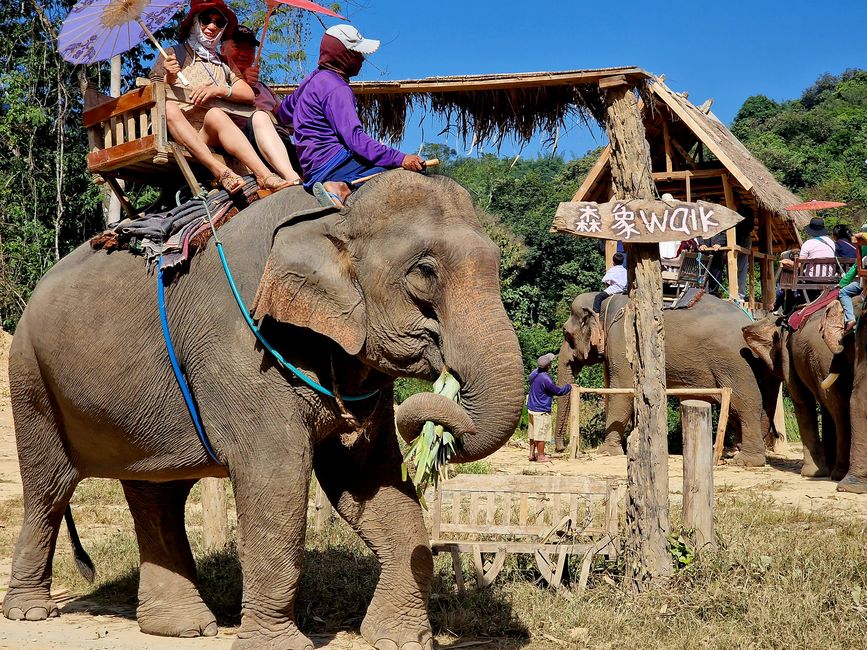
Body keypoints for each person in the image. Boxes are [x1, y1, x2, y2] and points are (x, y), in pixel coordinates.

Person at [149, 0, 292, 193]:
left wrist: (219, 90)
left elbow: (248, 94)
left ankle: (265, 175)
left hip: (211, 132)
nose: (211, 26)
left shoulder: (223, 62)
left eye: (219, 22)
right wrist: (170, 75)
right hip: (182, 132)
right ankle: (221, 171)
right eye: (206, 20)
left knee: (216, 114)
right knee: (168, 108)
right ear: (193, 22)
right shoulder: (173, 53)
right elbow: (153, 92)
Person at [276, 24, 426, 208]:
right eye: (356, 53)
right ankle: (341, 187)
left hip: (312, 169)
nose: (362, 58)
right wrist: (401, 158)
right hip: (334, 165)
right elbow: (355, 139)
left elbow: (283, 113)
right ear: (343, 55)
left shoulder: (313, 79)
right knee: (404, 173)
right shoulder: (337, 88)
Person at [221, 25, 301, 185]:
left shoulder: (264, 88)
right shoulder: (218, 79)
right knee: (259, 117)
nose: (244, 53)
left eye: (250, 49)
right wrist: (241, 82)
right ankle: (292, 178)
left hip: (281, 143)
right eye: (237, 47)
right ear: (222, 49)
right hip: (245, 143)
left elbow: (287, 120)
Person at [526, 354, 571, 462]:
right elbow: (558, 391)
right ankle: (541, 456)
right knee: (540, 434)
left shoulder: (534, 373)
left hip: (531, 408)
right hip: (541, 410)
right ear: (548, 366)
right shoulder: (546, 379)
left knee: (532, 433)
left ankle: (532, 454)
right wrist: (569, 387)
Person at [735, 206, 756, 301]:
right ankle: (737, 293)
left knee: (741, 267)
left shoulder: (745, 211)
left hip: (743, 238)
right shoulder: (745, 210)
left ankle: (740, 295)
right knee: (735, 268)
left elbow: (749, 227)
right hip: (738, 238)